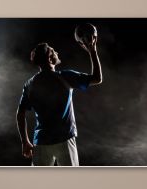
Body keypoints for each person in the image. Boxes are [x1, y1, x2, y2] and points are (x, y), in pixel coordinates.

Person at [16, 36, 102, 166]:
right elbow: (97, 78)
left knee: (37, 185)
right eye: (53, 50)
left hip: (41, 142)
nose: (56, 52)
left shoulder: (30, 84)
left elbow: (20, 113)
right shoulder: (66, 77)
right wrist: (93, 51)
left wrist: (25, 141)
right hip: (64, 139)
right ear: (50, 58)